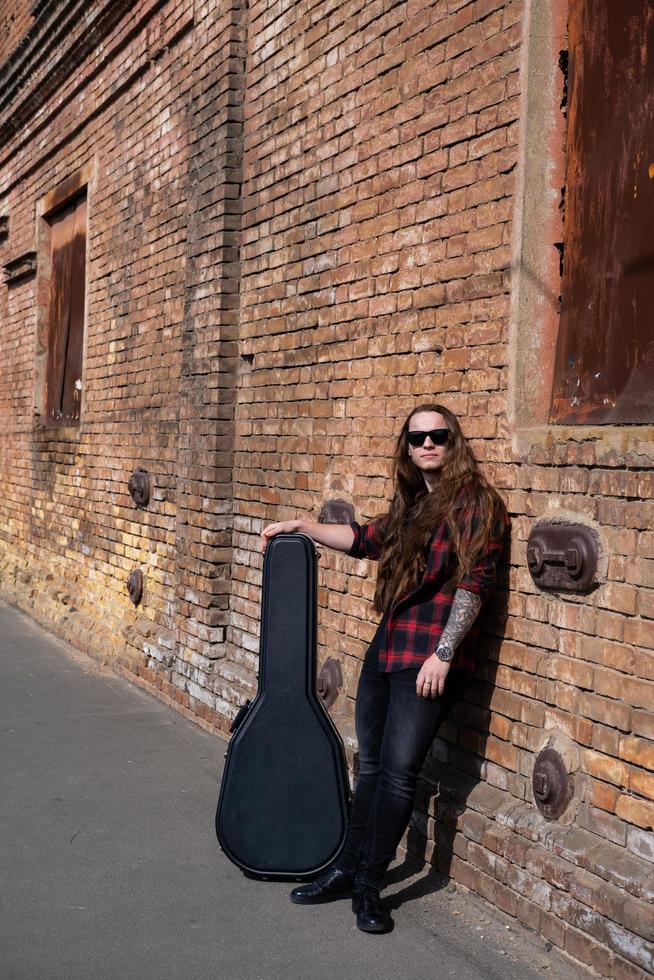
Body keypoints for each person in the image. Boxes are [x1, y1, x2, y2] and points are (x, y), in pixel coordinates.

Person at [260, 403, 509, 934]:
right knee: (370, 767)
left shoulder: (476, 502)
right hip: (388, 650)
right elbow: (368, 539)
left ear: (453, 441)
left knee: (399, 774)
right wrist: (300, 526)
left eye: (438, 435)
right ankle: (346, 869)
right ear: (407, 446)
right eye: (418, 437)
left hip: (429, 659)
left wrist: (443, 654)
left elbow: (476, 581)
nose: (427, 444)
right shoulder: (416, 503)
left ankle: (370, 886)